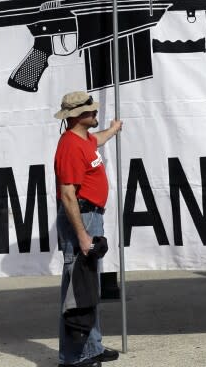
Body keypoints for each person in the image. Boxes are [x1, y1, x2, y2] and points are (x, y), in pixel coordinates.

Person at [54, 91, 122, 367]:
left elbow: (98, 140)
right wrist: (82, 234)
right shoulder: (70, 146)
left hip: (91, 215)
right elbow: (68, 194)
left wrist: (114, 130)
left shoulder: (85, 139)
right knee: (76, 287)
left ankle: (91, 347)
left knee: (87, 285)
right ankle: (73, 357)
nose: (96, 113)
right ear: (77, 117)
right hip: (82, 217)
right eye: (91, 112)